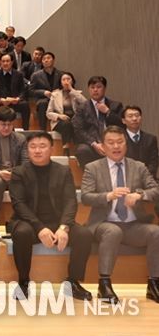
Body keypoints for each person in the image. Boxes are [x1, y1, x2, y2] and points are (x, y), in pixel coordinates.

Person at [9, 132, 93, 300]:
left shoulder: (63, 171)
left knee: (84, 234)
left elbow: (70, 201)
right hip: (29, 222)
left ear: (52, 149)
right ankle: (23, 282)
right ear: (27, 150)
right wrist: (39, 228)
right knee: (21, 233)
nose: (37, 150)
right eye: (33, 147)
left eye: (42, 146)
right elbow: (19, 204)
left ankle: (72, 282)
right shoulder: (19, 172)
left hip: (57, 222)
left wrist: (64, 227)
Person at [80, 126, 159, 304]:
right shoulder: (93, 168)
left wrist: (140, 195)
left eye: (120, 142)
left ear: (126, 144)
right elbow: (85, 197)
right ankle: (104, 285)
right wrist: (108, 196)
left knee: (156, 232)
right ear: (103, 146)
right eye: (111, 142)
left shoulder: (138, 167)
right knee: (113, 231)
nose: (116, 146)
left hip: (132, 225)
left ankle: (154, 284)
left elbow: (155, 190)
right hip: (103, 223)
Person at [73, 76, 124, 168]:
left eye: (99, 87)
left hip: (113, 141)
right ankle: (89, 176)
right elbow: (78, 129)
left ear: (105, 88)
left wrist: (108, 112)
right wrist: (94, 143)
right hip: (91, 144)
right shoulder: (82, 107)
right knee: (82, 150)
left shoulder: (116, 105)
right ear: (88, 89)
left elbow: (122, 124)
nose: (95, 90)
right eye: (92, 87)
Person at [0, 53, 30, 130]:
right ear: (0, 62)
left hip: (15, 101)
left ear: (12, 62)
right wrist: (0, 99)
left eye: (7, 61)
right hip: (1, 103)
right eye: (3, 61)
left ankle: (26, 130)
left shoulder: (19, 74)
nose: (5, 63)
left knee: (25, 105)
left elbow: (23, 90)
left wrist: (18, 99)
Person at [46, 72, 86, 145]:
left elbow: (86, 104)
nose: (66, 81)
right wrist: (59, 116)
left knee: (76, 124)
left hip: (74, 119)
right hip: (60, 121)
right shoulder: (55, 94)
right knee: (67, 124)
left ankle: (75, 146)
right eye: (63, 80)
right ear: (60, 82)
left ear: (72, 81)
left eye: (68, 79)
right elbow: (48, 113)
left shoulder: (77, 93)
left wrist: (71, 89)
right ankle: (66, 146)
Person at [122, 106, 158, 179]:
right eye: (130, 116)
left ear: (141, 118)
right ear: (123, 121)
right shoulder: (119, 139)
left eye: (137, 115)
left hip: (146, 179)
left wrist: (144, 177)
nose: (134, 118)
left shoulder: (151, 139)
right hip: (125, 178)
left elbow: (154, 162)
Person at [29, 51, 62, 130]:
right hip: (43, 99)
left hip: (57, 100)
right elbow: (30, 91)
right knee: (43, 104)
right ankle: (42, 130)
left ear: (53, 60)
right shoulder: (36, 75)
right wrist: (43, 92)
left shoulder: (60, 74)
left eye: (48, 58)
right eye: (44, 59)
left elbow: (64, 88)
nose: (46, 60)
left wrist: (58, 91)